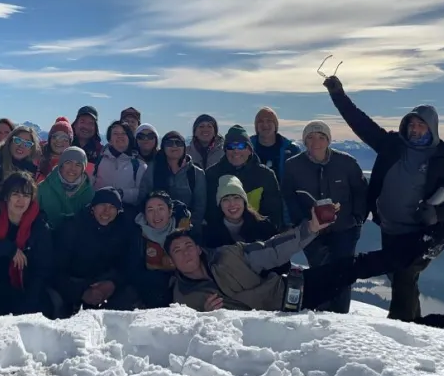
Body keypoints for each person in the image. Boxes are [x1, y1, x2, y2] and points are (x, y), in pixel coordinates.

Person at [324, 74, 444, 331]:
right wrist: (338, 95)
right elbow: (361, 124)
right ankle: (441, 326)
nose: (414, 130)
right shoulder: (392, 145)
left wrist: (438, 214)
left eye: (421, 126)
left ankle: (399, 333)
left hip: (419, 236)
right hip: (390, 229)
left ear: (432, 129)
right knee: (401, 279)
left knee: (404, 276)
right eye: (412, 124)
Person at [165, 211, 430, 314]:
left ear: (199, 249)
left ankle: (420, 247)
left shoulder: (229, 255)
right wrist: (209, 317)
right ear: (172, 261)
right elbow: (191, 335)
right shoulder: (183, 297)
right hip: (270, 323)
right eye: (177, 250)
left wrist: (310, 229)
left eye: (188, 245)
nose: (185, 252)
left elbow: (273, 250)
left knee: (353, 266)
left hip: (293, 292)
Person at [282, 120, 368, 314]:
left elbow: (361, 192)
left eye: (321, 137)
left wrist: (357, 218)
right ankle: (322, 314)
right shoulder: (293, 166)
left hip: (345, 228)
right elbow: (288, 195)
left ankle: (340, 315)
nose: (316, 142)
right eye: (310, 137)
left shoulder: (346, 162)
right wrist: (302, 222)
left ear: (328, 140)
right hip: (311, 229)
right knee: (319, 271)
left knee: (343, 272)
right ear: (304, 141)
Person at [0, 172, 54, 317]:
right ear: (6, 196)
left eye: (26, 196)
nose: (21, 200)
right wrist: (8, 248)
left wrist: (29, 305)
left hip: (22, 287)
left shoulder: (38, 226)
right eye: (16, 194)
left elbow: (43, 268)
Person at [51, 187, 137, 316]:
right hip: (74, 286)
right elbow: (55, 271)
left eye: (112, 207)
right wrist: (82, 292)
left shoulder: (123, 229)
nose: (106, 211)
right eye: (102, 205)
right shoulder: (71, 227)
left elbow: (128, 265)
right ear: (93, 207)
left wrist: (112, 284)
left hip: (106, 286)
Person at [204, 125, 285, 229]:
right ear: (225, 151)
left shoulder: (265, 175)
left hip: (260, 237)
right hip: (222, 238)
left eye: (241, 146)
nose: (236, 151)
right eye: (230, 147)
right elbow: (210, 212)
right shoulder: (212, 174)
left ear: (250, 150)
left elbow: (274, 213)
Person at [128, 191, 192, 309]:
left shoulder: (185, 229)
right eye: (150, 210)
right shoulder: (138, 233)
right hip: (151, 289)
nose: (156, 215)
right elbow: (133, 269)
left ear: (170, 211)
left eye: (161, 208)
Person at [137, 130, 207, 232]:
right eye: (169, 143)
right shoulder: (153, 169)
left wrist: (189, 228)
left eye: (178, 143)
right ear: (163, 148)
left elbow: (200, 207)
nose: (174, 146)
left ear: (184, 147)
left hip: (187, 228)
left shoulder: (196, 173)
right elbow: (143, 199)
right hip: (155, 228)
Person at [251, 107, 300, 224]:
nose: (265, 125)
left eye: (269, 121)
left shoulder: (291, 150)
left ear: (275, 125)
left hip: (284, 210)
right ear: (256, 126)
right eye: (261, 121)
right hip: (252, 209)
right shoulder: (247, 147)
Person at [201, 176, 278, 249]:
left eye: (236, 198)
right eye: (225, 199)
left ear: (244, 201)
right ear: (220, 205)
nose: (232, 204)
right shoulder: (211, 234)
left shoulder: (264, 227)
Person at [93, 121, 146, 212]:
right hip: (99, 212)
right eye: (115, 133)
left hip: (126, 213)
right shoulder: (100, 160)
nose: (120, 136)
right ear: (109, 140)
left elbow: (142, 193)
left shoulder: (139, 165)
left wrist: (122, 193)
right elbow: (91, 183)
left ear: (129, 137)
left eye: (124, 133)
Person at [38, 146, 95, 227]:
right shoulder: (42, 188)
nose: (72, 168)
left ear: (83, 169)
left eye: (78, 164)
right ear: (61, 166)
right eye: (68, 163)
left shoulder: (89, 193)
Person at [0, 125, 41, 192]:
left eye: (27, 144)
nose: (21, 146)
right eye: (18, 140)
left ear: (31, 150)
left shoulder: (32, 171)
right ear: (10, 142)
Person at [36, 117, 75, 181]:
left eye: (64, 138)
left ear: (70, 142)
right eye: (55, 137)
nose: (59, 141)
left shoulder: (74, 163)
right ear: (49, 139)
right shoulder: (38, 156)